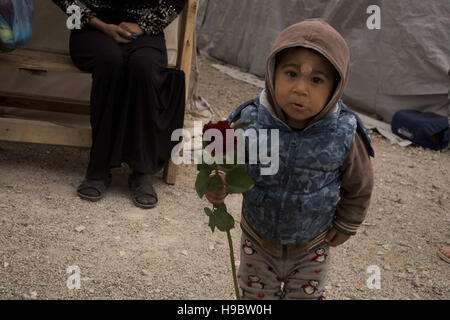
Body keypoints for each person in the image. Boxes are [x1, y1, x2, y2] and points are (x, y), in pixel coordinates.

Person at [205, 19, 375, 299]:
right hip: (257, 241)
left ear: (335, 87)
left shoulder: (344, 133)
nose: (301, 88)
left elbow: (360, 185)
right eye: (291, 73)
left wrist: (347, 223)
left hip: (312, 245)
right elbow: (223, 161)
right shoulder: (249, 121)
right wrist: (218, 180)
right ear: (273, 74)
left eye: (316, 80)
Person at [52, 0, 187, 209]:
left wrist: (143, 26)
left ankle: (142, 170)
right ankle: (98, 167)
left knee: (144, 67)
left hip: (146, 29)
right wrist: (101, 25)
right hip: (89, 26)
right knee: (110, 62)